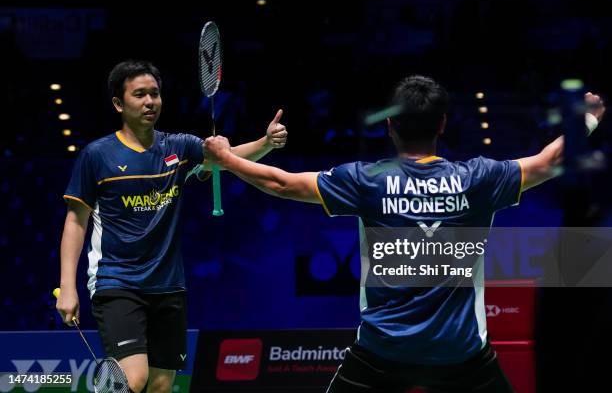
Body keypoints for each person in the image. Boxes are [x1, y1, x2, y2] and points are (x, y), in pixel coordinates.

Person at [202, 75, 605, 392]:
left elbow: (282, 184)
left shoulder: (367, 180)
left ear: (390, 125)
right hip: (461, 354)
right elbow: (551, 161)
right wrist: (587, 116)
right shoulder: (480, 178)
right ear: (443, 124)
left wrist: (225, 159)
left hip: (382, 352)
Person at [55, 60, 287, 393]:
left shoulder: (178, 147)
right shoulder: (98, 155)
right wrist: (67, 286)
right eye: (139, 95)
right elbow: (76, 221)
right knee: (133, 380)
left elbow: (229, 158)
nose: (150, 101)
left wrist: (265, 141)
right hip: (117, 281)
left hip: (167, 284)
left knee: (162, 386)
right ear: (119, 104)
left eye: (155, 93)